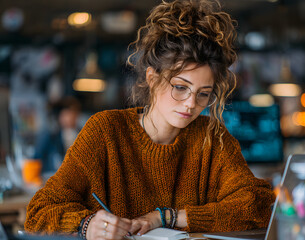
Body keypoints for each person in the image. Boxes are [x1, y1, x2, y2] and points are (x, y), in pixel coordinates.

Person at [24, 0, 275, 239]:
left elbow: (260, 206)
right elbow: (39, 212)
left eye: (204, 94)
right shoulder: (105, 131)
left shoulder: (211, 137)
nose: (191, 103)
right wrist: (86, 226)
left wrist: (166, 217)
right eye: (180, 87)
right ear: (152, 79)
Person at [32, 97, 81, 175]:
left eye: (73, 114)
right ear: (59, 117)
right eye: (66, 114)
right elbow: (35, 160)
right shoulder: (50, 137)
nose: (69, 118)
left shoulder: (83, 136)